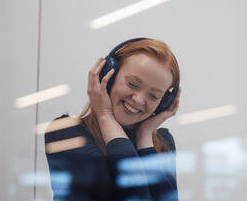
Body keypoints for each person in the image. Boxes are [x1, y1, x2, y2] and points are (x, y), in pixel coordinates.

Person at [45, 38, 181, 201]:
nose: (138, 100)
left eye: (153, 96)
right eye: (133, 84)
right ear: (108, 76)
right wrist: (105, 115)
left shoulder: (163, 142)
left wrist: (145, 137)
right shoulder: (64, 132)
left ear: (163, 103)